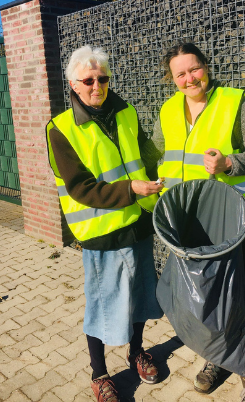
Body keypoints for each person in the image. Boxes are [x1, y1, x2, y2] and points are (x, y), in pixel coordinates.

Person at [149, 42, 245, 402]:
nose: (190, 78)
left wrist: (229, 164)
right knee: (194, 299)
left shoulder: (234, 102)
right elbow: (157, 154)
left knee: (226, 300)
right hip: (183, 222)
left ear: (207, 67)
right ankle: (216, 358)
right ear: (171, 80)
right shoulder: (168, 110)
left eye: (194, 69)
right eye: (180, 74)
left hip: (226, 221)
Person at [45, 45, 163, 402]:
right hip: (101, 231)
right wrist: (130, 189)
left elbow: (148, 154)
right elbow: (80, 188)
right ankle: (99, 373)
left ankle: (136, 352)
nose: (97, 85)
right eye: (89, 80)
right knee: (103, 303)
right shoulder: (60, 129)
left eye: (103, 78)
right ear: (73, 84)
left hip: (139, 222)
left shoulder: (125, 112)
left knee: (141, 294)